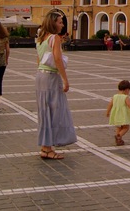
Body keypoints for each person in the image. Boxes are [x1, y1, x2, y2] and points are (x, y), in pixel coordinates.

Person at [36, 11, 76, 159]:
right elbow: (58, 60)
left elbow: (38, 59)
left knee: (44, 111)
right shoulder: (55, 38)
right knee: (53, 111)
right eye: (60, 22)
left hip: (40, 76)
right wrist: (65, 80)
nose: (62, 24)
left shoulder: (40, 38)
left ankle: (45, 146)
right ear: (53, 23)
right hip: (51, 77)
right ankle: (48, 148)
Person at [106, 79, 130, 146]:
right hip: (123, 115)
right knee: (126, 127)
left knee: (118, 127)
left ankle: (118, 140)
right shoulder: (125, 97)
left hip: (116, 115)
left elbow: (110, 104)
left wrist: (107, 112)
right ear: (127, 89)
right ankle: (119, 136)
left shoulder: (114, 96)